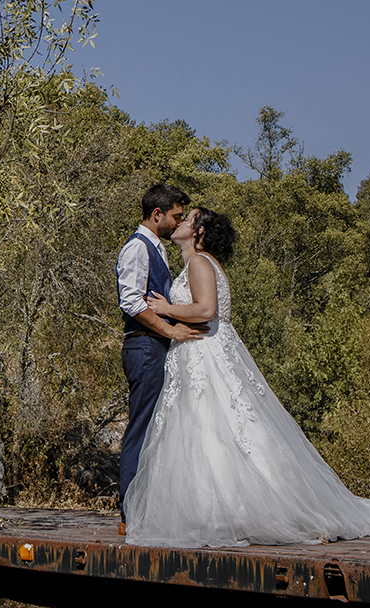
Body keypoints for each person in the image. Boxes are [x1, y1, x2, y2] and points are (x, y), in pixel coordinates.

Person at [124, 207, 370, 548]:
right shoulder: (197, 263)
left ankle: (240, 510)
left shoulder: (199, 262)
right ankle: (213, 510)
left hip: (205, 352)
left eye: (188, 218)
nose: (179, 223)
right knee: (206, 430)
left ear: (200, 231)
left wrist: (166, 309)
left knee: (215, 425)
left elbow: (206, 310)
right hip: (199, 351)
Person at [115, 184, 204, 536]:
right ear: (158, 215)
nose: (177, 222)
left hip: (155, 347)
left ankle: (149, 508)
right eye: (176, 216)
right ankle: (129, 514)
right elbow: (132, 303)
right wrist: (171, 332)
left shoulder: (155, 249)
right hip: (145, 347)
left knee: (157, 428)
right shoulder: (137, 249)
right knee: (141, 428)